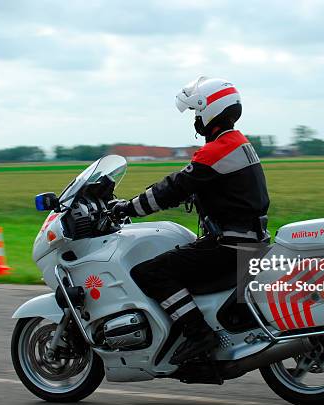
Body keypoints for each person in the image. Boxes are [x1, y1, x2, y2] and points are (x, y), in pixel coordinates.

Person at [110, 76, 270, 365]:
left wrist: (127, 208)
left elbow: (172, 187)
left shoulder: (217, 150)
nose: (196, 121)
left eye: (197, 113)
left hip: (229, 246)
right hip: (250, 241)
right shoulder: (239, 144)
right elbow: (224, 190)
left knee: (150, 273)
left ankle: (198, 334)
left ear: (210, 111)